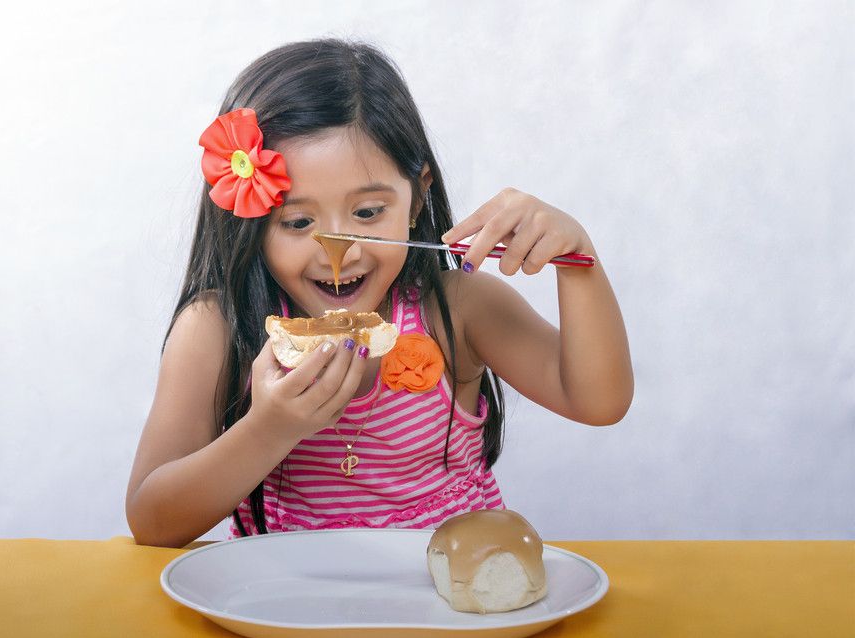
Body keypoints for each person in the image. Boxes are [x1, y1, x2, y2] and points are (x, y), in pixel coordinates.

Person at [126, 39, 633, 548]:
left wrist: (578, 262)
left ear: (417, 198)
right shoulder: (217, 328)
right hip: (284, 591)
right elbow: (153, 522)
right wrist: (268, 429)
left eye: (368, 213)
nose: (339, 253)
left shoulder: (458, 309)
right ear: (249, 218)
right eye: (298, 222)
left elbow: (599, 402)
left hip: (444, 586)